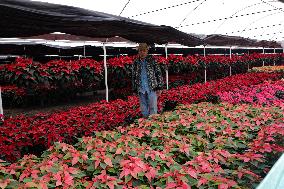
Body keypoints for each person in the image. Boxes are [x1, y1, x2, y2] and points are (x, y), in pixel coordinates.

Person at [132, 43, 164, 118]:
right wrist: (134, 89)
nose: (142, 53)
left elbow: (158, 73)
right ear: (138, 51)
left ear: (147, 51)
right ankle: (145, 122)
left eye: (144, 51)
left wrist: (159, 87)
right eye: (140, 51)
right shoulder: (136, 62)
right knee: (143, 107)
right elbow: (134, 76)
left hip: (152, 87)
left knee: (153, 106)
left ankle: (152, 123)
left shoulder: (152, 60)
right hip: (141, 87)